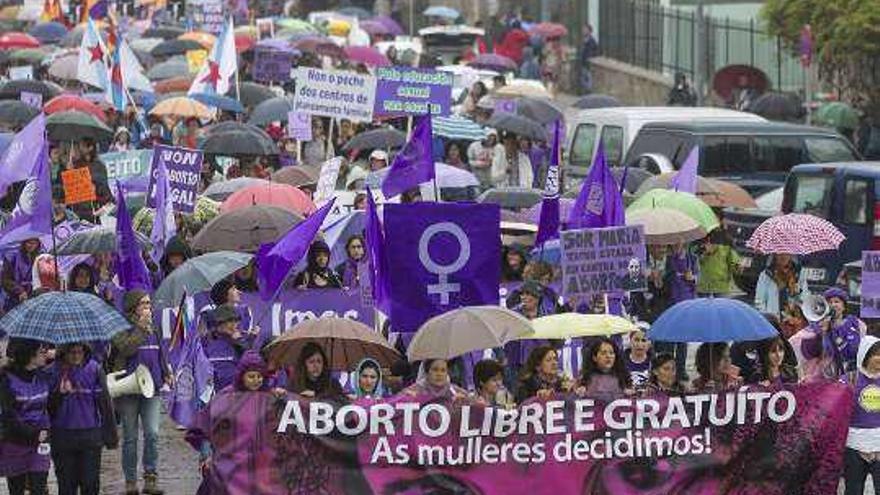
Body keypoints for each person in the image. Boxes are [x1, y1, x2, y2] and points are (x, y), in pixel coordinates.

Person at [110, 290, 173, 495]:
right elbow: (126, 349)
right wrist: (139, 328)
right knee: (130, 437)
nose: (148, 306)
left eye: (148, 303)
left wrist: (165, 371)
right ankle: (130, 481)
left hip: (151, 388)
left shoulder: (152, 327)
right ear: (133, 306)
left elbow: (159, 351)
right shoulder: (121, 327)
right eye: (143, 303)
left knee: (152, 434)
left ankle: (151, 476)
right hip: (128, 389)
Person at [48, 343, 118, 495]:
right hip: (62, 435)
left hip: (90, 435)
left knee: (90, 483)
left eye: (79, 352)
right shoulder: (53, 371)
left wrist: (110, 435)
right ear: (64, 352)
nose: (76, 356)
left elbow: (104, 403)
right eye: (71, 352)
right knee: (66, 485)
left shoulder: (94, 369)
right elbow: (47, 409)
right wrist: (59, 394)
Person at [0, 338, 51, 495]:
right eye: (42, 350)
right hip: (15, 444)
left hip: (40, 443)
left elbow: (48, 407)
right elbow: (9, 417)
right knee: (17, 490)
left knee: (39, 488)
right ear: (30, 354)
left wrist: (45, 431)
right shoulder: (7, 381)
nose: (46, 353)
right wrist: (34, 433)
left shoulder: (43, 376)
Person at [841, 335, 880, 495]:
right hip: (854, 446)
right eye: (876, 353)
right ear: (865, 355)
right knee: (853, 490)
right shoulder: (849, 380)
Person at [801, 287, 866, 379]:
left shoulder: (852, 325)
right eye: (829, 302)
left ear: (844, 306)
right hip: (822, 375)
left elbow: (853, 352)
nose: (833, 305)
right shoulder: (818, 326)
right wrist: (820, 333)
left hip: (846, 375)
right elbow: (807, 352)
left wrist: (833, 332)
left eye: (836, 302)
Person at [202, 305, 255, 392]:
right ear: (217, 323)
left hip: (236, 396)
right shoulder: (205, 343)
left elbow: (251, 365)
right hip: (213, 396)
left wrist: (240, 342)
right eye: (229, 321)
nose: (234, 325)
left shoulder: (240, 342)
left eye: (236, 321)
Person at [754, 254, 809, 335]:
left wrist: (797, 292)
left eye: (786, 253)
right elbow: (759, 302)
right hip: (773, 325)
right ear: (775, 255)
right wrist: (768, 320)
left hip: (795, 324)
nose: (783, 256)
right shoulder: (766, 275)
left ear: (791, 254)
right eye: (779, 253)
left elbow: (805, 298)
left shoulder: (799, 273)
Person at [696, 229, 742, 296]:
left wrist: (738, 267)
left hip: (720, 287)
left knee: (720, 305)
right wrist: (704, 252)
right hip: (704, 287)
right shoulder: (701, 245)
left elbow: (734, 264)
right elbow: (696, 261)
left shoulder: (726, 246)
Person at [1, 238, 42, 310]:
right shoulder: (11, 256)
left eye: (34, 243)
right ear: (24, 242)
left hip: (34, 298)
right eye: (29, 243)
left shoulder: (40, 257)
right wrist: (20, 291)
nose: (31, 246)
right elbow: (5, 280)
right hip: (13, 299)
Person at [402, 359, 468, 400]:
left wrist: (465, 401)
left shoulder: (454, 390)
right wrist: (406, 398)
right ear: (427, 373)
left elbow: (472, 400)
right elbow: (398, 399)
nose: (439, 374)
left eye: (443, 370)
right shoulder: (415, 389)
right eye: (435, 370)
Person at [580, 24, 599, 93]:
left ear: (589, 31)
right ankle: (586, 91)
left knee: (589, 78)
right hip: (583, 63)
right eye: (583, 29)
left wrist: (590, 59)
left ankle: (589, 92)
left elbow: (592, 51)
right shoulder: (584, 40)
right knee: (583, 79)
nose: (583, 31)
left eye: (585, 29)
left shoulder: (591, 41)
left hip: (588, 63)